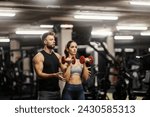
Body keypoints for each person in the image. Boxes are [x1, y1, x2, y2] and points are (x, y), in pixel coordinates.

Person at [32, 31, 64, 100]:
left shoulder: (57, 56)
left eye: (54, 39)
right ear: (45, 42)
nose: (54, 41)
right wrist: (54, 75)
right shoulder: (39, 56)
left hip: (57, 91)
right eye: (51, 40)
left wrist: (71, 61)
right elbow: (39, 74)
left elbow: (64, 69)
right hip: (45, 92)